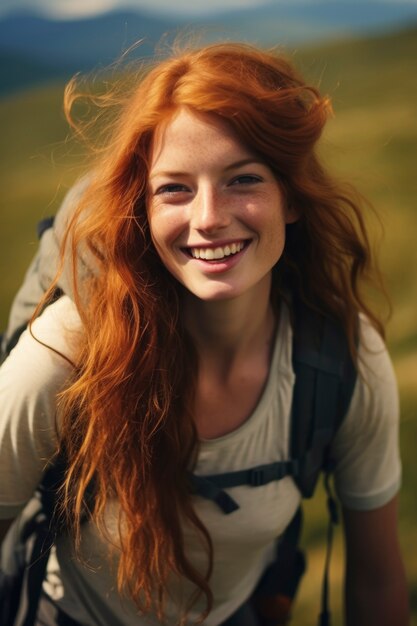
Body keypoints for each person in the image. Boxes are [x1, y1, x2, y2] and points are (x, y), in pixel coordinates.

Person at [0, 42, 410, 626]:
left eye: (243, 179)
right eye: (175, 188)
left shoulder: (344, 358)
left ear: (290, 196)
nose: (209, 217)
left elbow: (377, 581)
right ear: (141, 207)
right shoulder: (65, 354)